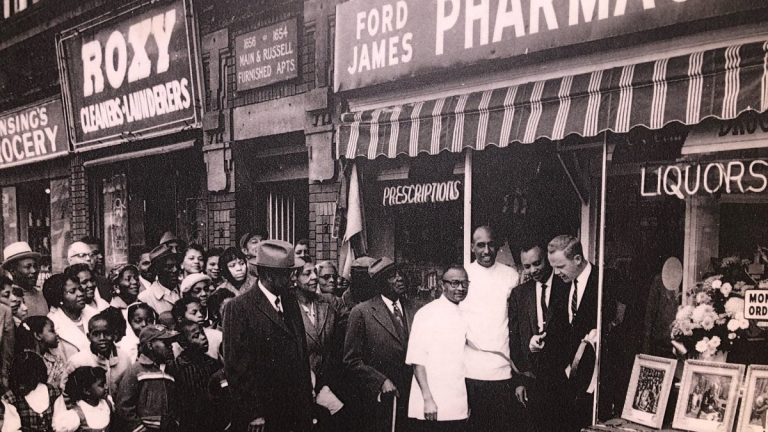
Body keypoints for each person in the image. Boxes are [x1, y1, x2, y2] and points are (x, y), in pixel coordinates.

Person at [223, 239, 313, 432]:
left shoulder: (290, 303)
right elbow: (236, 367)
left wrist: (307, 406)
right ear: (270, 275)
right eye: (289, 273)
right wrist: (253, 412)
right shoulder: (239, 308)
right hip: (263, 417)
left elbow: (301, 357)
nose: (293, 279)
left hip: (295, 413)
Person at [537, 234, 618, 431]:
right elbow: (557, 327)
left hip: (595, 383)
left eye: (560, 266)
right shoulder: (561, 283)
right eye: (553, 267)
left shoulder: (605, 281)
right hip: (565, 385)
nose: (556, 273)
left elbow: (617, 329)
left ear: (578, 259)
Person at [344, 257, 417, 432]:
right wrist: (380, 381)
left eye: (400, 273)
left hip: (413, 395)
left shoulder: (414, 308)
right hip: (380, 399)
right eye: (392, 275)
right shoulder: (362, 312)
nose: (400, 278)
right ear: (379, 282)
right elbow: (351, 360)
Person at [459, 226, 520, 432]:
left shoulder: (511, 276)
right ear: (471, 247)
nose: (486, 251)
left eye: (491, 244)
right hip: (470, 370)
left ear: (498, 245)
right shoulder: (462, 276)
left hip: (502, 370)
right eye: (480, 245)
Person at [509, 241, 570, 432]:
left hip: (563, 379)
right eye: (527, 266)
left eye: (537, 263)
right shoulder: (519, 294)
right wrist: (519, 381)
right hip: (533, 382)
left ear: (547, 259)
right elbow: (514, 339)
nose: (533, 270)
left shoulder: (567, 287)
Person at [406, 265, 470, 432]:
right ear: (443, 285)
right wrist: (428, 399)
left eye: (464, 284)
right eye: (455, 283)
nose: (460, 288)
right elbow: (417, 360)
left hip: (457, 402)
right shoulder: (427, 313)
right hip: (433, 403)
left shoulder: (465, 314)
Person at [293, 260, 348, 430]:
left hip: (329, 383)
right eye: (307, 274)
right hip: (300, 388)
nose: (314, 278)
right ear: (294, 278)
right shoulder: (288, 308)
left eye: (314, 273)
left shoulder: (328, 303)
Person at [115, 324, 179, 432]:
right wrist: (140, 428)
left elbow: (176, 402)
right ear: (150, 345)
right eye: (166, 343)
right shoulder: (136, 371)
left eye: (171, 343)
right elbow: (124, 406)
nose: (171, 347)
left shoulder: (171, 370)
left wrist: (176, 422)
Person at [168, 320, 222, 432]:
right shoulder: (177, 368)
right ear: (184, 344)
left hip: (214, 421)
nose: (203, 337)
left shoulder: (213, 363)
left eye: (203, 333)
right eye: (196, 336)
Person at [66, 313, 132, 397]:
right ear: (88, 337)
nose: (102, 338)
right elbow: (67, 394)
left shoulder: (124, 358)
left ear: (114, 335)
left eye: (106, 333)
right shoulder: (77, 361)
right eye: (96, 334)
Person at [1, 351, 67, 431]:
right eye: (19, 379)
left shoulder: (53, 392)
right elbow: (11, 429)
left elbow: (61, 423)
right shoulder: (11, 398)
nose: (22, 385)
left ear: (37, 375)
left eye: (26, 379)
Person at [47, 272, 96, 360]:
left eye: (80, 289)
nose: (80, 294)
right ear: (59, 297)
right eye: (72, 291)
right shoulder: (52, 324)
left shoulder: (93, 313)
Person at [53, 366, 113, 432]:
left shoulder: (107, 404)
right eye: (101, 385)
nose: (106, 387)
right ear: (86, 390)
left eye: (105, 383)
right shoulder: (77, 415)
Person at [15, 316, 66, 389]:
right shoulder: (24, 362)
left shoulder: (55, 358)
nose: (57, 334)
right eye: (52, 331)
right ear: (38, 335)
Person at [3, 241, 46, 317]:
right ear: (13, 271)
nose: (34, 271)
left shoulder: (41, 295)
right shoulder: (9, 300)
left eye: (35, 266)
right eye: (27, 267)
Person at [137, 244, 181, 315]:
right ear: (157, 270)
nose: (175, 270)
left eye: (176, 266)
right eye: (169, 267)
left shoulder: (185, 290)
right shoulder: (145, 298)